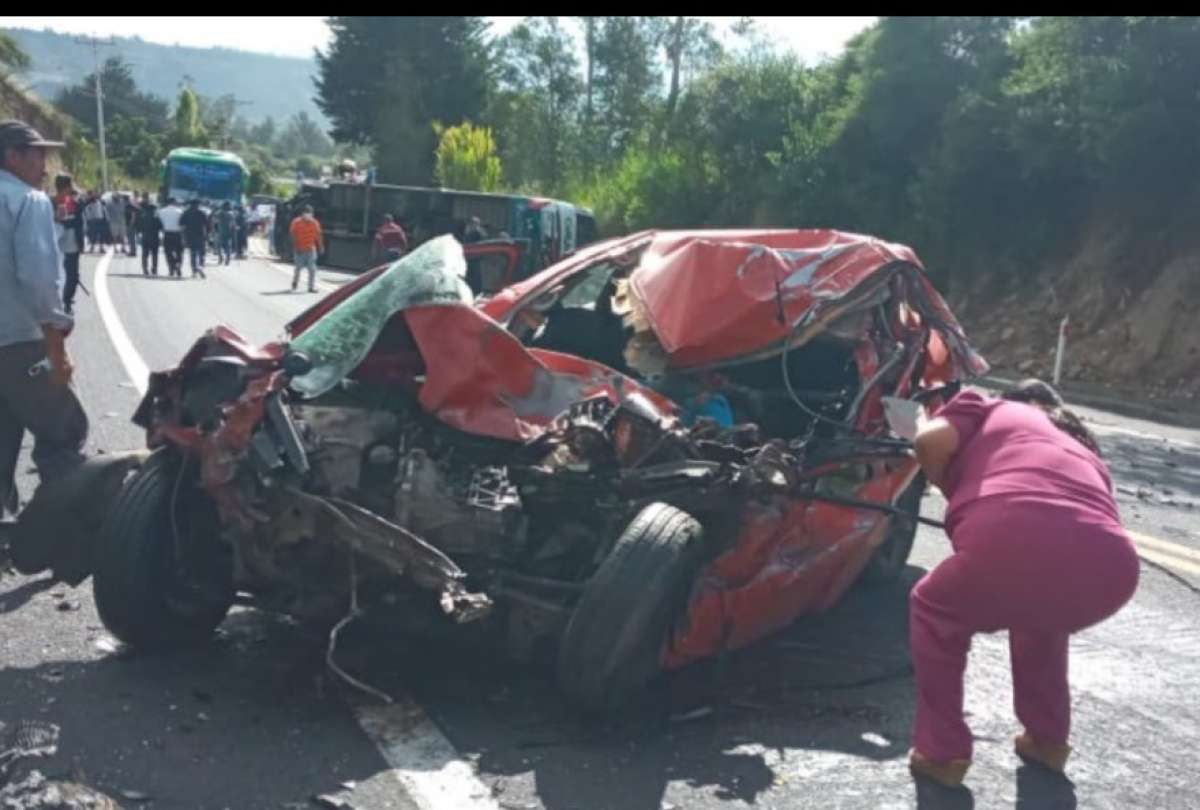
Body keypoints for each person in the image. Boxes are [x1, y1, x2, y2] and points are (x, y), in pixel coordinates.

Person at [906, 380, 1139, 788]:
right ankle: (1047, 740)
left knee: (933, 607)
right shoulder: (1081, 449)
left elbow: (928, 441)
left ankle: (942, 753)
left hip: (1013, 534)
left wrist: (951, 486)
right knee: (1043, 619)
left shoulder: (986, 404)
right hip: (1114, 568)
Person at [0, 120, 89, 522]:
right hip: (19, 340)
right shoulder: (27, 201)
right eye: (37, 154)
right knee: (65, 430)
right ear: (12, 156)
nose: (45, 164)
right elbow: (38, 278)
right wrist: (55, 347)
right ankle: (56, 531)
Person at [52, 174, 84, 314]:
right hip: (55, 247)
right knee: (56, 276)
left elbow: (80, 224)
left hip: (72, 245)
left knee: (73, 276)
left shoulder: (75, 204)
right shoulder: (48, 203)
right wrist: (57, 219)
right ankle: (56, 303)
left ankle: (67, 301)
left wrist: (81, 242)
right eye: (69, 186)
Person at [288, 204, 323, 293]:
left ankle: (311, 287)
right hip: (299, 249)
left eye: (310, 213)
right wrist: (296, 247)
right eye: (306, 213)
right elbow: (292, 235)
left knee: (312, 269)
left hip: (310, 249)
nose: (308, 215)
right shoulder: (296, 222)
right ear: (302, 214)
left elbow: (318, 235)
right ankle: (295, 282)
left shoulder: (314, 223)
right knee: (298, 268)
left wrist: (321, 246)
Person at [180, 199, 208, 279]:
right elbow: (205, 225)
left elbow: (182, 225)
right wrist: (206, 235)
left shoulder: (186, 213)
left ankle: (194, 271)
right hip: (200, 236)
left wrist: (183, 237)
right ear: (198, 205)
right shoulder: (201, 213)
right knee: (202, 253)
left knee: (193, 254)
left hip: (190, 236)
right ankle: (200, 266)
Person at [158, 196, 185, 278]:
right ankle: (178, 264)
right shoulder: (180, 211)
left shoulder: (161, 211)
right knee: (179, 252)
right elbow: (182, 224)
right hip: (177, 233)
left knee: (168, 252)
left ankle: (171, 267)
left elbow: (160, 223)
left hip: (167, 233)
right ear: (174, 202)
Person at [136, 195, 162, 276]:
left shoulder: (142, 217)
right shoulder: (156, 217)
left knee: (145, 254)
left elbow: (138, 227)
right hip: (154, 237)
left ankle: (145, 269)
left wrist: (139, 234)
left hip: (145, 236)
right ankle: (154, 269)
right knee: (155, 254)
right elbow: (160, 226)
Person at [215, 201, 235, 266]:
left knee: (218, 247)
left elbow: (214, 221)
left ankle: (221, 258)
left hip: (220, 232)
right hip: (227, 233)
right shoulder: (231, 214)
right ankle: (227, 260)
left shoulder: (219, 213)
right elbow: (233, 225)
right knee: (228, 247)